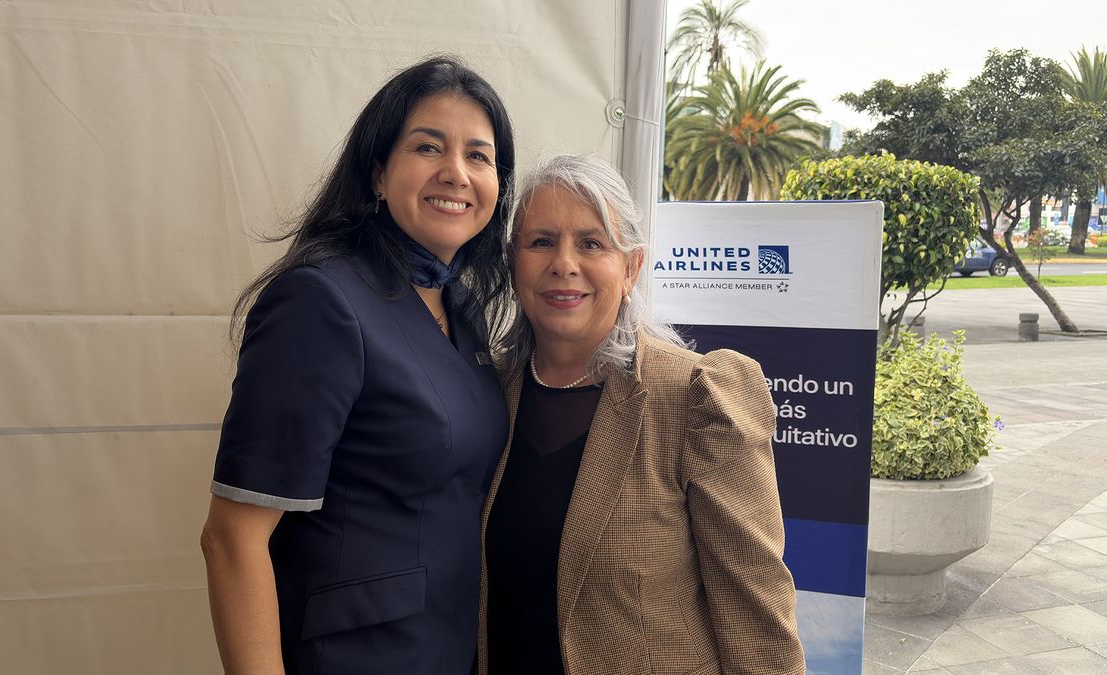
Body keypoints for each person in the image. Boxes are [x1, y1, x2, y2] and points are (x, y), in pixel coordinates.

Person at [200, 56, 515, 675]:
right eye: (429, 147)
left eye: (479, 156)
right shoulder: (320, 301)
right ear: (377, 172)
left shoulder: (462, 306)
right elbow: (232, 539)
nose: (456, 172)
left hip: (447, 649)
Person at [480, 154, 805, 675]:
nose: (564, 263)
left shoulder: (695, 398)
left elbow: (755, 606)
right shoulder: (487, 393)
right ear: (514, 263)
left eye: (592, 243)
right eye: (542, 241)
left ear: (630, 268)